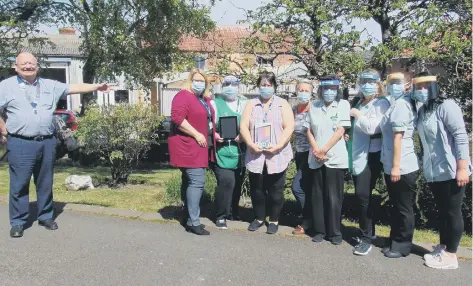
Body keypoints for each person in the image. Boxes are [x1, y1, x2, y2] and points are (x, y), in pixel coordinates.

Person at [0, 52, 113, 238]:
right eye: (24, 63)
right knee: (19, 183)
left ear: (37, 66)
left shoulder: (49, 85)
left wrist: (97, 86)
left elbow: (74, 87)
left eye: (31, 63)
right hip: (20, 142)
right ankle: (18, 222)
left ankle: (45, 216)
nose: (28, 66)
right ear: (16, 66)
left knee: (45, 182)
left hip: (46, 141)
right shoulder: (5, 86)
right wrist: (3, 130)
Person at [411, 72, 471, 269]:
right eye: (417, 86)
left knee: (453, 212)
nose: (421, 90)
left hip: (452, 169)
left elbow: (460, 136)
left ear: (435, 86)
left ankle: (452, 256)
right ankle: (443, 248)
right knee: (443, 212)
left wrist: (462, 167)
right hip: (434, 171)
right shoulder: (423, 110)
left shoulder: (447, 106)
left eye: (425, 86)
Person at [240, 71, 294, 235]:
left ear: (274, 87)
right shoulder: (251, 104)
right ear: (258, 86)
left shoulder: (282, 104)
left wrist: (278, 145)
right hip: (256, 154)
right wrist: (250, 144)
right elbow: (243, 127)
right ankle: (259, 218)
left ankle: (274, 220)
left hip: (277, 154)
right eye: (263, 85)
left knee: (276, 190)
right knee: (257, 189)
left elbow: (289, 126)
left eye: (269, 85)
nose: (266, 88)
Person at [169, 68, 216, 236]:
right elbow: (177, 118)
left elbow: (207, 119)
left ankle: (188, 216)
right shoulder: (183, 96)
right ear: (190, 80)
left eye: (202, 81)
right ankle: (193, 222)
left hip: (199, 147)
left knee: (188, 182)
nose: (199, 83)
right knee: (197, 181)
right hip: (188, 146)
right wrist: (196, 134)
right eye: (196, 80)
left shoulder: (202, 99)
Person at [305, 74, 350, 245]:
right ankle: (319, 231)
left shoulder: (343, 104)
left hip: (334, 158)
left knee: (334, 197)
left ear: (337, 89)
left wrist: (324, 149)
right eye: (326, 88)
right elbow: (308, 130)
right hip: (316, 158)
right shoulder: (314, 105)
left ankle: (335, 232)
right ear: (321, 89)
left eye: (332, 88)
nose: (329, 91)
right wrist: (317, 149)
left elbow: (340, 131)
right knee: (317, 196)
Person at [349, 68, 390, 255]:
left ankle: (366, 238)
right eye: (363, 80)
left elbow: (372, 128)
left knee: (362, 195)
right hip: (356, 154)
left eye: (371, 81)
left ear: (378, 83)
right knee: (361, 197)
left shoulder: (381, 103)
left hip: (372, 155)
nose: (366, 84)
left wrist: (358, 115)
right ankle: (369, 232)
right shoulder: (358, 101)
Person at [379, 72, 420, 258]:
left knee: (403, 207)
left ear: (407, 85)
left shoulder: (402, 105)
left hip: (402, 165)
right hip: (393, 164)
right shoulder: (396, 103)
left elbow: (398, 137)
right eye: (390, 83)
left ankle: (403, 244)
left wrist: (396, 166)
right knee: (396, 206)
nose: (392, 86)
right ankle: (395, 241)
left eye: (397, 82)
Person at [210, 75, 248, 229]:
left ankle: (233, 211)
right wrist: (215, 135)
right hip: (222, 151)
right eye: (227, 84)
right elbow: (208, 125)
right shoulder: (215, 104)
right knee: (227, 181)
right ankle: (221, 216)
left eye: (234, 84)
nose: (230, 87)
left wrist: (245, 136)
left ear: (239, 87)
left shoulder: (245, 104)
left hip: (241, 152)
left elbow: (252, 124)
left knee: (237, 183)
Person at [291, 80, 313, 235]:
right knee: (305, 187)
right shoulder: (294, 110)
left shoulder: (315, 109)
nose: (303, 93)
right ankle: (310, 218)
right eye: (301, 90)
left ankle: (308, 220)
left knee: (297, 187)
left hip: (312, 154)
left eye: (307, 90)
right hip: (299, 153)